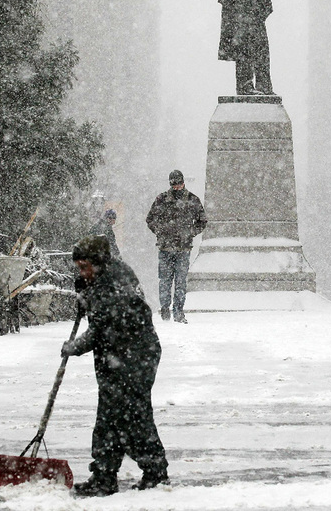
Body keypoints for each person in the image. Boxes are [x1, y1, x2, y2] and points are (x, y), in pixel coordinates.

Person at [61, 235, 169, 498]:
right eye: (79, 267)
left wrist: (73, 347)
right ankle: (104, 476)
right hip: (118, 356)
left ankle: (154, 472)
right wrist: (85, 290)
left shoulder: (113, 284)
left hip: (134, 357)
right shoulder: (103, 277)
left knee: (133, 417)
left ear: (98, 263)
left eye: (85, 266)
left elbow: (101, 329)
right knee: (109, 418)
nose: (82, 272)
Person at [146, 170, 207, 324]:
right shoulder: (161, 199)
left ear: (183, 182)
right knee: (165, 280)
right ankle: (165, 308)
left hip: (183, 248)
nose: (176, 186)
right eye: (174, 183)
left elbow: (202, 220)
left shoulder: (192, 200)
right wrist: (160, 231)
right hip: (166, 247)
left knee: (180, 281)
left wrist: (190, 232)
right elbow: (150, 219)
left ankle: (178, 311)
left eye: (178, 183)